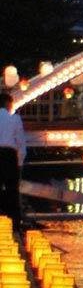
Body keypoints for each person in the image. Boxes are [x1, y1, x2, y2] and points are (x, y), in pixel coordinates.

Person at [0, 92, 26, 228]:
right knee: (12, 190)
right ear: (8, 104)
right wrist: (20, 163)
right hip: (9, 155)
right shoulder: (15, 119)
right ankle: (15, 224)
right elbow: (21, 143)